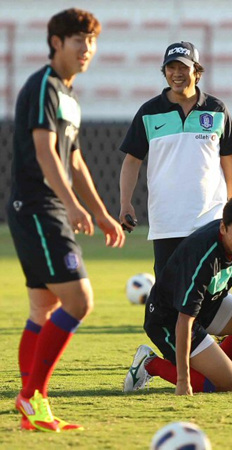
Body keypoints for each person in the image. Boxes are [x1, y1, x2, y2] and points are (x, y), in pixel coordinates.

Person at [6, 8, 125, 433]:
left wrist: (101, 212)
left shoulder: (69, 95)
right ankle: (31, 395)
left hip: (47, 206)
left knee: (43, 308)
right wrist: (72, 205)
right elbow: (45, 152)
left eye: (91, 41)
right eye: (79, 40)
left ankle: (33, 411)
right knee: (80, 302)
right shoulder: (44, 86)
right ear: (57, 43)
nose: (87, 49)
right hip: (39, 207)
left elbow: (74, 159)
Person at [123, 195, 232, 395]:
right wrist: (183, 380)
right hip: (169, 319)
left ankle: (216, 360)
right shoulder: (204, 255)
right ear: (223, 228)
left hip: (210, 304)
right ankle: (150, 363)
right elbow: (184, 320)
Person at [119, 41, 232, 278]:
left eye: (183, 67)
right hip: (167, 221)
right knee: (167, 293)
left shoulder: (217, 109)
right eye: (171, 67)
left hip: (211, 219)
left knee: (207, 291)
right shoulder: (149, 111)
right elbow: (132, 160)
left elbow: (229, 160)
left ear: (196, 71)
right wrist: (126, 203)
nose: (177, 74)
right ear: (164, 72)